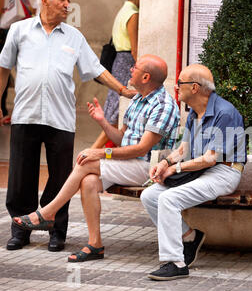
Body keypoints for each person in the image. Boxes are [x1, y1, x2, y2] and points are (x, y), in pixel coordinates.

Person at [0, 0, 139, 252]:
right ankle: (20, 230)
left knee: (60, 177)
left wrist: (122, 90)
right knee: (20, 175)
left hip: (60, 118)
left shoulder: (74, 36)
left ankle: (56, 229)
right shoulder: (19, 31)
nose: (67, 4)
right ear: (45, 1)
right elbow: (3, 67)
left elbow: (96, 69)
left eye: (69, 0)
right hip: (25, 115)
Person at [13, 54, 180, 262]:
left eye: (135, 68)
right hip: (129, 164)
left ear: (146, 77)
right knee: (88, 181)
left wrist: (101, 152)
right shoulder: (137, 99)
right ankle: (95, 244)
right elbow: (122, 138)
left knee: (88, 161)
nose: (130, 70)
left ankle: (47, 213)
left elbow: (141, 149)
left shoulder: (163, 105)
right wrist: (102, 122)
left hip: (150, 168)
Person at [140, 64, 246, 281]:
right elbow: (184, 149)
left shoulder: (225, 113)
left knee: (169, 198)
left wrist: (175, 168)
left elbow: (210, 159)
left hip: (224, 173)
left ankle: (175, 263)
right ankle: (190, 237)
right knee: (149, 196)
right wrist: (165, 163)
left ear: (195, 87)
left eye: (180, 83)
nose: (176, 87)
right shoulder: (193, 113)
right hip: (201, 172)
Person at [91, 0, 140, 149]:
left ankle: (101, 150)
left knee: (114, 108)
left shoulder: (122, 11)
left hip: (118, 61)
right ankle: (93, 150)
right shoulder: (133, 14)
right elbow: (134, 49)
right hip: (126, 62)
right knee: (116, 112)